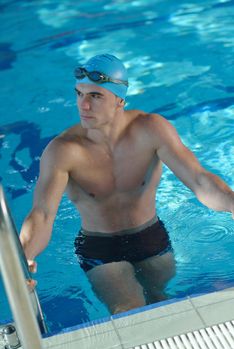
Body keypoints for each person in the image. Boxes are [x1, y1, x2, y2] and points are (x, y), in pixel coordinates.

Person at [20, 54, 234, 315]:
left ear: (119, 100)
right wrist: (24, 255)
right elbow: (42, 213)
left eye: (95, 96)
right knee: (129, 311)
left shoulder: (151, 129)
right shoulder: (64, 150)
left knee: (162, 303)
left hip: (151, 236)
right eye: (79, 94)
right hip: (100, 247)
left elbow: (200, 181)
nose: (83, 105)